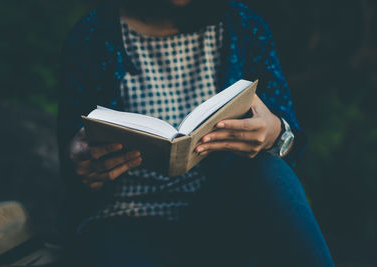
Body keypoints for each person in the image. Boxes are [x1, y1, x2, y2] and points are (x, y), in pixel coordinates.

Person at [57, 0, 334, 266]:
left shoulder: (244, 27)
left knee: (270, 173)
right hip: (123, 218)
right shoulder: (93, 35)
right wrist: (82, 163)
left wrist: (275, 132)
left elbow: (292, 146)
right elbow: (73, 151)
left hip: (221, 212)